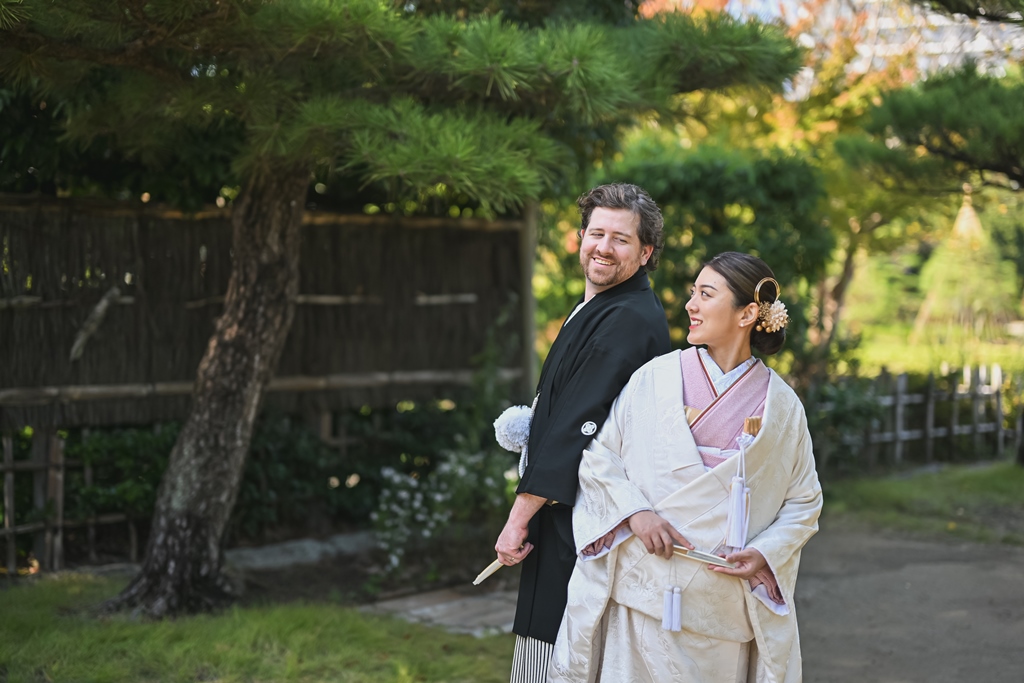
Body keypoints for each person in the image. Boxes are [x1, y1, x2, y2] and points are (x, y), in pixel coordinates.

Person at [548, 252, 823, 683]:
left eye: (706, 294)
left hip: (721, 606)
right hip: (643, 591)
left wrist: (765, 552)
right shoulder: (653, 378)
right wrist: (636, 514)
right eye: (693, 292)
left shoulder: (782, 406)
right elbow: (600, 457)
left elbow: (804, 500)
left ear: (748, 314)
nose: (690, 305)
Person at [495, 183, 672, 682]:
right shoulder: (605, 307)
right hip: (569, 510)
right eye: (597, 233)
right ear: (580, 237)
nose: (603, 248)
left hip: (586, 518)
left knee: (562, 654)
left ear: (646, 252)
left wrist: (518, 517)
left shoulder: (627, 319)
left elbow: (577, 426)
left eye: (621, 239)